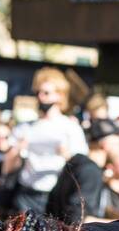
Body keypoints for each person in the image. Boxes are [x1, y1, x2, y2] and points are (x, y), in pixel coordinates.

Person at [8, 67, 88, 215]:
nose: (40, 97)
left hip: (55, 195)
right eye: (38, 92)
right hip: (26, 193)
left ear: (59, 95)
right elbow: (8, 167)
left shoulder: (70, 127)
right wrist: (16, 150)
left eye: (46, 93)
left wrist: (66, 154)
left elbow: (82, 164)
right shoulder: (26, 126)